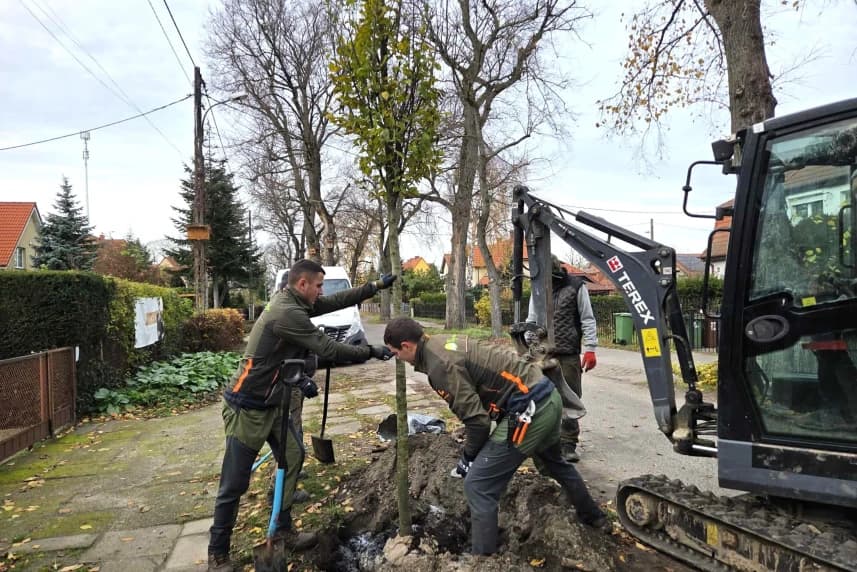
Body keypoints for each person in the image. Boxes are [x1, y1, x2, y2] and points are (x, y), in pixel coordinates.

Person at [208, 259, 396, 571]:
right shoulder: (287, 312)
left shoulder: (295, 300)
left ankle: (283, 529)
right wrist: (371, 351)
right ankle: (218, 554)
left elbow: (335, 301)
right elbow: (328, 349)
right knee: (234, 483)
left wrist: (372, 287)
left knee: (293, 457)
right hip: (247, 406)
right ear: (302, 284)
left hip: (274, 403)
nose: (321, 292)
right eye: (318, 286)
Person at [383, 317, 608, 556]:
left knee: (478, 485)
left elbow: (478, 422)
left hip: (528, 409)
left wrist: (467, 459)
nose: (398, 358)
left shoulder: (440, 365)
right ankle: (596, 518)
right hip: (547, 397)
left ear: (407, 346)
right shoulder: (440, 342)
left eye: (395, 352)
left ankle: (483, 560)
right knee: (555, 464)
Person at [527, 259, 597, 462]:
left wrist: (590, 349)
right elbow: (532, 320)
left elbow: (587, 318)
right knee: (541, 397)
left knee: (570, 397)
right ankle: (546, 442)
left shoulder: (576, 287)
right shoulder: (538, 289)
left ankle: (568, 443)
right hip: (542, 353)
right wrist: (528, 342)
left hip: (568, 354)